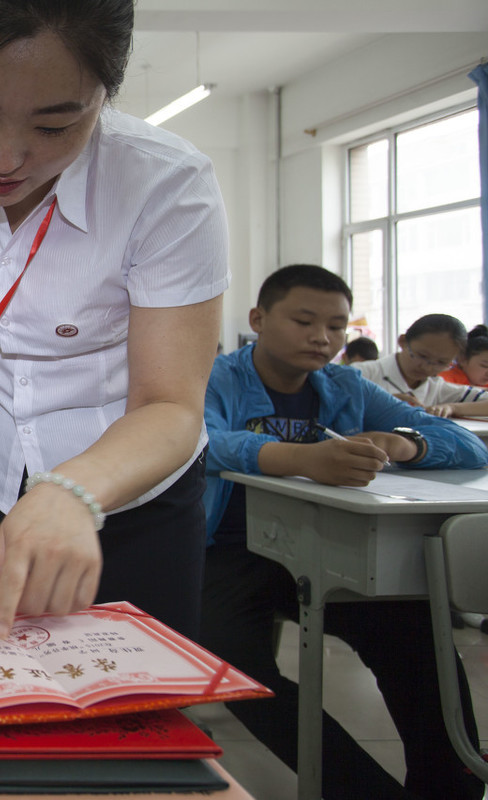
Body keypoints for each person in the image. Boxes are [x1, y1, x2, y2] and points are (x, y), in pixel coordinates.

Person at [0, 0, 228, 638]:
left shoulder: (166, 186)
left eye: (53, 126)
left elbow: (171, 406)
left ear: (102, 100)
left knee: (126, 709)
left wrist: (71, 490)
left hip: (128, 493)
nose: (4, 157)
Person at [201, 264, 486, 800]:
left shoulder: (345, 383)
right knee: (238, 670)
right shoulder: (219, 377)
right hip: (226, 553)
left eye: (336, 327)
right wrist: (301, 459)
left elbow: (465, 442)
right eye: (304, 320)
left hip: (322, 546)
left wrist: (406, 444)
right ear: (258, 319)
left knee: (412, 629)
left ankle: (451, 787)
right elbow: (203, 443)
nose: (322, 338)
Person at [352, 314, 488, 417]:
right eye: (422, 356)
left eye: (441, 363)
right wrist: (379, 403)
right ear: (403, 341)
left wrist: (452, 407)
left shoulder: (437, 388)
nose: (427, 368)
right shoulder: (360, 374)